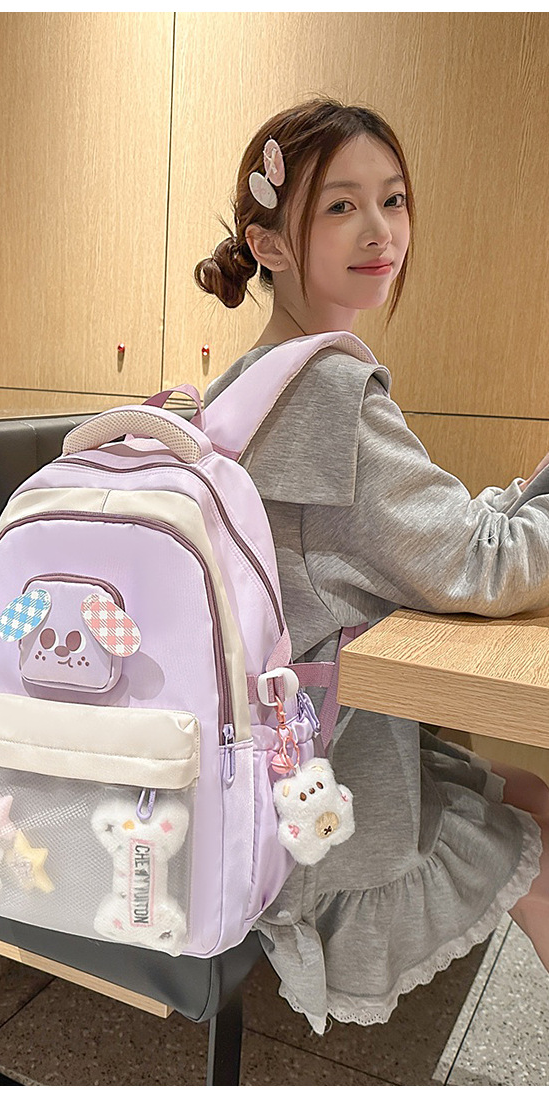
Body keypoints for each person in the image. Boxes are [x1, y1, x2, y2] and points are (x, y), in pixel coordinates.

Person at [194, 96, 549, 1035]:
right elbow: (486, 566)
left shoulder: (245, 382)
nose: (380, 230)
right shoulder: (331, 391)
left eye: (392, 199)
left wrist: (514, 502)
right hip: (323, 804)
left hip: (263, 762)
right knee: (541, 846)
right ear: (269, 243)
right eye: (340, 206)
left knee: (529, 795)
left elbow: (415, 534)